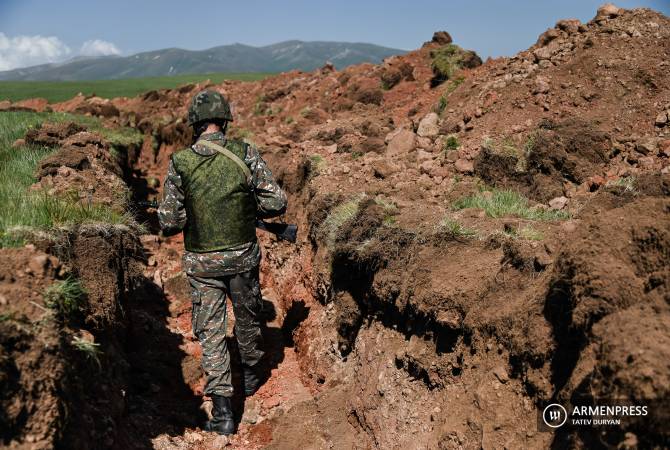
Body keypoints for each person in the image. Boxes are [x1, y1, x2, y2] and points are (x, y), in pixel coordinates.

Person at [157, 89, 287, 435]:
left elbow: (169, 223)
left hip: (202, 265)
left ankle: (224, 414)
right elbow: (276, 203)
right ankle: (252, 374)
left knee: (212, 333)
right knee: (247, 317)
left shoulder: (180, 162)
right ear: (225, 119)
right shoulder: (245, 153)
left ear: (194, 124)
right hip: (243, 256)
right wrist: (245, 207)